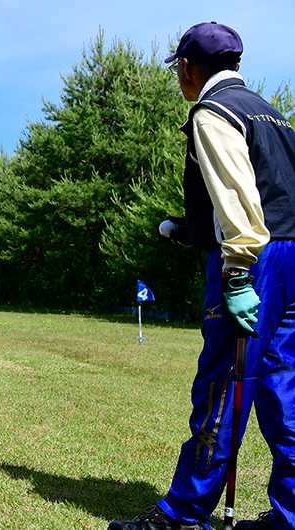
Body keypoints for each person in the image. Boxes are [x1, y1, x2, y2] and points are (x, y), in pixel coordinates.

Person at [110, 22, 295, 530]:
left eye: (178, 70)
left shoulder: (212, 113)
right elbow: (274, 194)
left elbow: (240, 201)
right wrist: (190, 229)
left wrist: (236, 273)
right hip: (291, 257)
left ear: (188, 68)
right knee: (284, 388)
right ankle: (291, 516)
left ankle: (183, 515)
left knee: (222, 385)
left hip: (252, 262)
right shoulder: (272, 113)